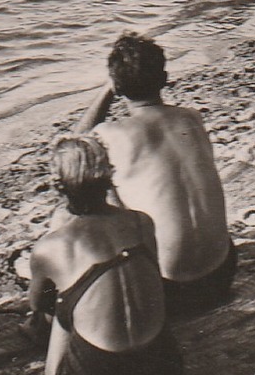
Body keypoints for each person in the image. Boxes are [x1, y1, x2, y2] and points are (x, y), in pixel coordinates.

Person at [27, 136, 181, 375]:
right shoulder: (142, 223)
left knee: (60, 303)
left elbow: (36, 306)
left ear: (58, 187)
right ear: (108, 178)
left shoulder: (51, 247)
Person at [75, 33, 235, 317]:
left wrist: (106, 91)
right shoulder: (192, 118)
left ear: (118, 85)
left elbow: (75, 146)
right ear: (164, 79)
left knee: (96, 200)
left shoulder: (110, 135)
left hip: (167, 289)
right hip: (221, 272)